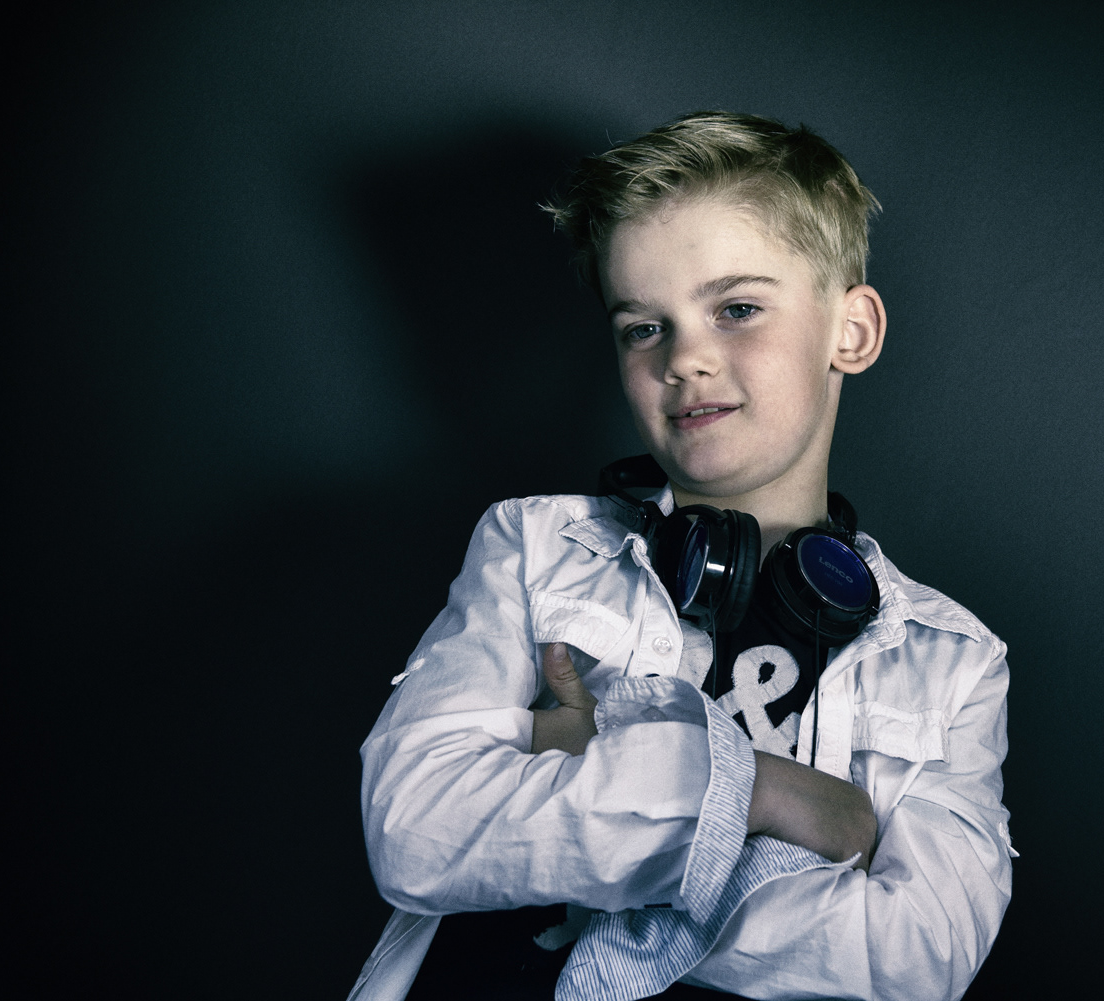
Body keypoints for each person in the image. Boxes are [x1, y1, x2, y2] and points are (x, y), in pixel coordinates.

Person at [347, 111, 1015, 1001]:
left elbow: (911, 959)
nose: (686, 358)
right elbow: (417, 833)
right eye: (643, 328)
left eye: (736, 309)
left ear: (850, 330)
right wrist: (766, 793)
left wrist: (593, 770)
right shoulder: (533, 550)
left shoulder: (952, 664)